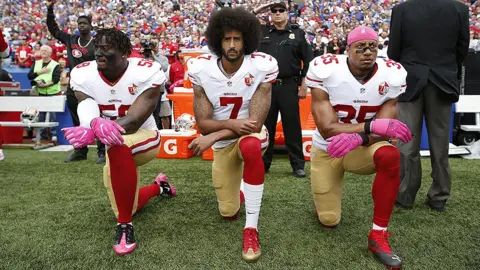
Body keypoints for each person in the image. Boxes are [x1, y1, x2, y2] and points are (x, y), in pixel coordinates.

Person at [305, 26, 413, 269]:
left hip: (361, 149)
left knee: (389, 153)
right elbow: (327, 129)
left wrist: (362, 138)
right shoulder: (327, 70)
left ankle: (378, 235)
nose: (367, 52)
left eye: (373, 47)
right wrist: (371, 126)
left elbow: (384, 132)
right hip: (328, 149)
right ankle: (323, 199)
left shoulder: (392, 74)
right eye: (360, 48)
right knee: (329, 220)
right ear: (347, 50)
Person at [63, 28, 177, 256]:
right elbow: (86, 102)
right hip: (113, 143)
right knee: (129, 204)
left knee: (118, 146)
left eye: (106, 49)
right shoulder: (84, 74)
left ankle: (125, 227)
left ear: (125, 52)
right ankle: (159, 187)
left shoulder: (146, 71)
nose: (98, 54)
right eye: (97, 48)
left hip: (145, 138)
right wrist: (89, 123)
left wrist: (96, 129)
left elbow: (134, 121)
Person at [186, 7, 278, 262]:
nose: (232, 44)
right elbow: (203, 123)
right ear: (218, 40)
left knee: (250, 146)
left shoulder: (261, 66)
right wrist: (222, 131)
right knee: (227, 212)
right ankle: (239, 192)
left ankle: (251, 229)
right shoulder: (201, 70)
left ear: (247, 39)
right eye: (227, 38)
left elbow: (255, 123)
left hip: (249, 136)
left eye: (237, 38)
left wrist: (214, 136)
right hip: (224, 144)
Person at [387, 0, 470, 212]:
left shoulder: (402, 10)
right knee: (440, 142)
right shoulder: (459, 9)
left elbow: (393, 51)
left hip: (411, 79)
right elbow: (462, 48)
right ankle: (439, 196)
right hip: (443, 79)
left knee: (407, 141)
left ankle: (405, 194)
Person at [253, 1, 314, 178]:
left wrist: (304, 85)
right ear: (270, 14)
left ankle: (297, 164)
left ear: (287, 13)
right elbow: (245, 20)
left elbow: (308, 60)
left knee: (292, 125)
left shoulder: (298, 33)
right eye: (274, 11)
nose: (278, 13)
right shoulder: (262, 32)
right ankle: (263, 163)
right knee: (265, 126)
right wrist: (259, 10)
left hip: (289, 85)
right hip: (266, 86)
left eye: (281, 11)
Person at [46, 0, 106, 164]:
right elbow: (54, 29)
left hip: (93, 86)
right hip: (74, 86)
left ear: (90, 26)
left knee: (96, 117)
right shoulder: (71, 39)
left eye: (84, 23)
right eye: (79, 23)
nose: (81, 25)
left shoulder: (97, 43)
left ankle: (102, 152)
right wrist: (50, 9)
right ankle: (80, 150)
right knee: (76, 118)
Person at [27, 45, 62, 142]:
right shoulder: (36, 63)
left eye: (46, 50)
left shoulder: (55, 64)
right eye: (42, 50)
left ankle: (53, 135)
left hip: (52, 92)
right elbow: (30, 76)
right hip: (40, 93)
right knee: (40, 115)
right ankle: (42, 135)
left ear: (50, 53)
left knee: (52, 115)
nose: (43, 52)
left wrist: (45, 85)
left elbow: (56, 79)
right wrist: (40, 72)